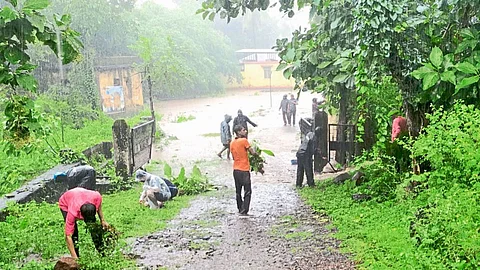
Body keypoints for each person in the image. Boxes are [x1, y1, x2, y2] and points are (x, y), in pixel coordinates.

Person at [58, 187, 108, 259]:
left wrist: (102, 220)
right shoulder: (73, 212)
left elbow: (99, 205)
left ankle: (102, 252)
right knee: (74, 233)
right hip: (65, 202)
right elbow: (68, 236)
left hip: (81, 195)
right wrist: (74, 258)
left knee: (94, 229)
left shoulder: (97, 197)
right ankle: (76, 256)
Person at [230, 124, 257, 215]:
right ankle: (245, 210)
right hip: (244, 170)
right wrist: (257, 154)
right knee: (247, 190)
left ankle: (239, 208)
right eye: (243, 130)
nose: (245, 131)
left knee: (238, 190)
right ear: (238, 132)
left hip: (236, 169)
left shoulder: (232, 143)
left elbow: (233, 157)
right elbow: (252, 153)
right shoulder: (244, 141)